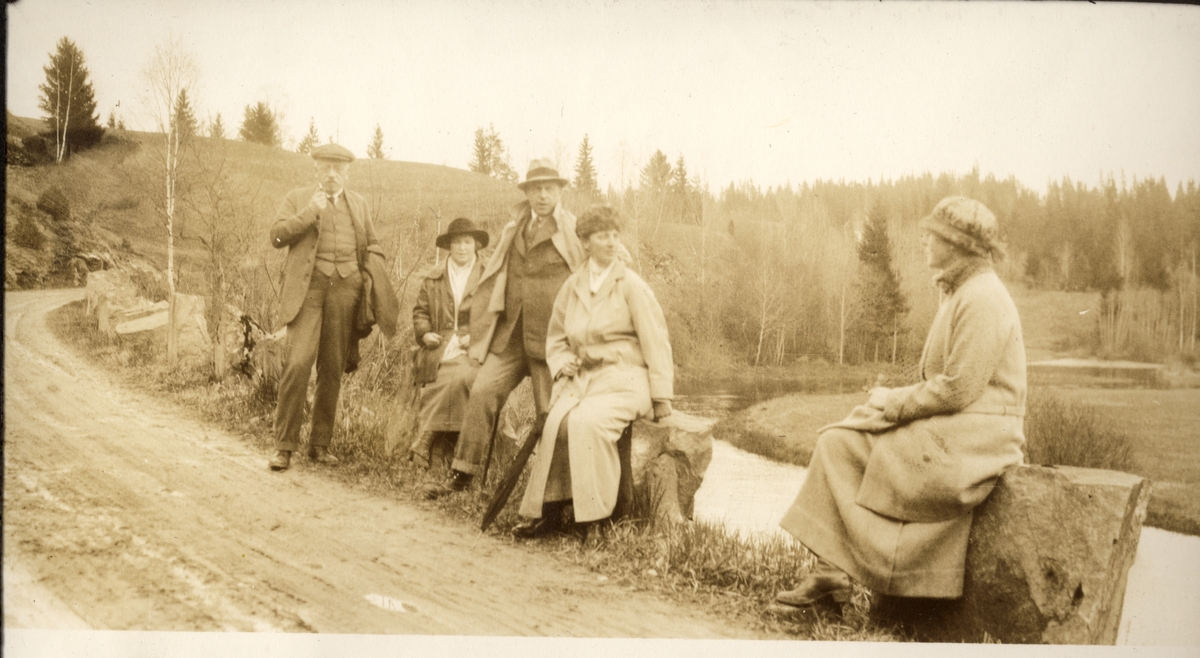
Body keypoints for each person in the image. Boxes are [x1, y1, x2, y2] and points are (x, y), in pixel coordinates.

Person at [772, 196, 1026, 615]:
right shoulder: (964, 290)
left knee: (846, 445)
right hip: (961, 430)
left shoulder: (982, 298)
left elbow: (958, 389)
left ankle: (852, 575)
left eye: (934, 236)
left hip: (977, 441)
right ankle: (832, 570)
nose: (924, 241)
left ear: (959, 244)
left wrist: (893, 402)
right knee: (840, 441)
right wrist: (889, 404)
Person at [422, 159, 627, 498]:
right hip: (510, 336)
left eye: (549, 188)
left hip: (553, 342)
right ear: (528, 192)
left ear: (560, 191)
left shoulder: (574, 230)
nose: (542, 195)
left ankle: (553, 497)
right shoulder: (514, 227)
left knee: (552, 414)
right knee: (482, 392)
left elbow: (608, 262)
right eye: (536, 188)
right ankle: (464, 475)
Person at [511, 205, 674, 538]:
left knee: (587, 424)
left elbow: (656, 341)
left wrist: (662, 396)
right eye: (602, 236)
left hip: (625, 378)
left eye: (615, 235)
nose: (611, 243)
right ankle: (551, 512)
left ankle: (595, 519)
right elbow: (555, 339)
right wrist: (561, 363)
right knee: (556, 424)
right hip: (583, 379)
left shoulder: (631, 285)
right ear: (585, 242)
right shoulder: (573, 286)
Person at [267, 143, 385, 472]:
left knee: (332, 368)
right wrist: (309, 213)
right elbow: (276, 237)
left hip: (345, 290)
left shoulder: (359, 204)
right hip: (309, 290)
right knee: (298, 363)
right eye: (325, 168)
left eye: (338, 169)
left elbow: (373, 244)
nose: (332, 174)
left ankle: (320, 444)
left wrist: (367, 278)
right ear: (316, 170)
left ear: (347, 172)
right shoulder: (298, 197)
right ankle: (284, 447)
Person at [408, 217, 489, 469]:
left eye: (467, 242)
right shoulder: (434, 277)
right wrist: (424, 334)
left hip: (474, 345)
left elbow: (497, 314)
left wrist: (476, 335)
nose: (462, 248)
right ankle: (439, 449)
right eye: (456, 243)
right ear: (449, 247)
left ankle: (428, 439)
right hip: (439, 344)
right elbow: (420, 312)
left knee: (461, 377)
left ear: (475, 244)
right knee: (442, 377)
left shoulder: (488, 275)